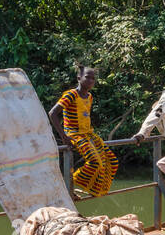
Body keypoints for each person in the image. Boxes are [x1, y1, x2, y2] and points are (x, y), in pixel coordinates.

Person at [50, 66, 118, 200]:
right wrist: (64, 136)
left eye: (93, 78)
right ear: (79, 78)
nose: (91, 80)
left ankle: (95, 189)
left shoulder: (89, 96)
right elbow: (52, 113)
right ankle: (68, 186)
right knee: (95, 162)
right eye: (88, 77)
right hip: (74, 134)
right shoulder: (71, 95)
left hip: (88, 134)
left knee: (112, 160)